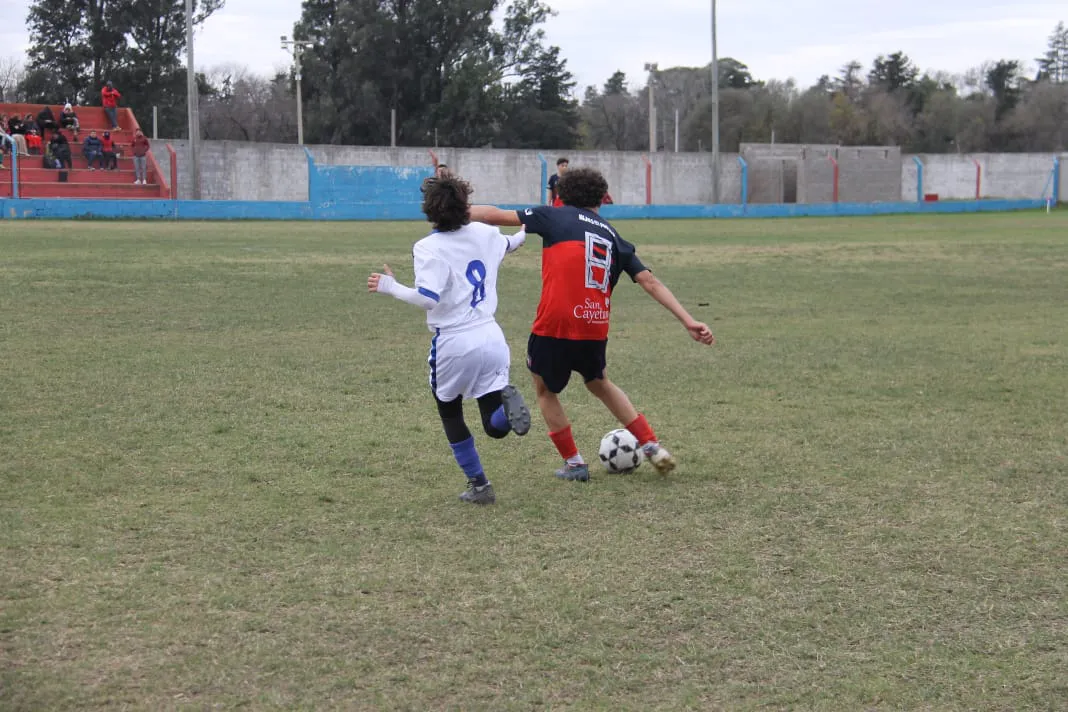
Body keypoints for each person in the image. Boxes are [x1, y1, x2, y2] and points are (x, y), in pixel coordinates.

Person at [469, 167, 715, 482]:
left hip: (556, 323)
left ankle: (574, 464)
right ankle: (651, 444)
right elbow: (649, 281)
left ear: (562, 195)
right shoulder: (613, 235)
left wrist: (454, 210)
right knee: (599, 382)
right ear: (601, 199)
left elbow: (494, 215)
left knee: (544, 390)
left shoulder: (551, 215)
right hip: (594, 325)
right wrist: (689, 321)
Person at [367, 175, 532, 505]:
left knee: (450, 411)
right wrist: (529, 225)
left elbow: (428, 298)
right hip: (491, 336)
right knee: (493, 423)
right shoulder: (486, 233)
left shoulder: (427, 247)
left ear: (429, 211)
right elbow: (514, 241)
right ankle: (506, 414)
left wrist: (390, 286)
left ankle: (479, 485)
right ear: (466, 205)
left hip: (455, 341)